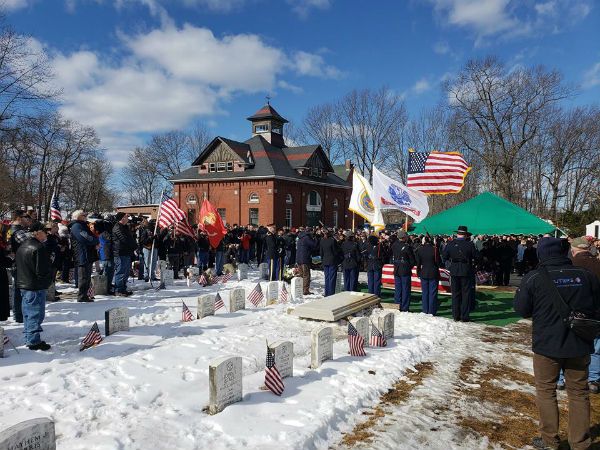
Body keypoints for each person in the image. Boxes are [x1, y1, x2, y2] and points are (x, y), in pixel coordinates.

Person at [514, 237, 600, 450]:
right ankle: (580, 443)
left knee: (546, 391)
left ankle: (550, 440)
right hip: (579, 343)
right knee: (579, 392)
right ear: (565, 253)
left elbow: (521, 309)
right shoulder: (586, 276)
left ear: (542, 254)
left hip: (547, 344)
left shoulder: (534, 278)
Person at [16, 222, 53, 350]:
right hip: (34, 286)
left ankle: (29, 337)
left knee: (28, 313)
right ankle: (33, 341)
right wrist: (48, 278)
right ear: (37, 233)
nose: (46, 234)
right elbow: (41, 271)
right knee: (35, 314)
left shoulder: (23, 246)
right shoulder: (38, 247)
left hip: (25, 285)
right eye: (44, 232)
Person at [442, 225, 478, 322]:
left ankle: (455, 315)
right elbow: (476, 256)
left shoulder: (450, 244)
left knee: (455, 294)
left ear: (457, 234)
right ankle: (464, 316)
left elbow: (444, 257)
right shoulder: (469, 244)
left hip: (454, 269)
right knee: (466, 294)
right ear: (465, 235)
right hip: (465, 270)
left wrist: (449, 264)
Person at [70, 210, 98, 302]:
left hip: (87, 254)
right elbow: (85, 238)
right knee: (83, 277)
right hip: (82, 254)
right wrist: (95, 241)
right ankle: (82, 295)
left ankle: (85, 295)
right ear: (78, 217)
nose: (85, 216)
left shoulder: (83, 225)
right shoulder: (76, 226)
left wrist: (95, 241)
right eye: (83, 215)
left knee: (87, 276)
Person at [416, 235, 442, 315]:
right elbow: (438, 263)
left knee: (425, 292)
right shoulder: (434, 250)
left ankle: (425, 310)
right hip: (433, 272)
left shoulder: (420, 249)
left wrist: (418, 272)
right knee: (432, 293)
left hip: (423, 272)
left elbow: (418, 263)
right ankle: (431, 311)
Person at [112, 212, 136, 297]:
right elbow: (124, 239)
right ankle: (118, 290)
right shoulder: (117, 227)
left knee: (126, 272)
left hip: (127, 252)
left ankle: (123, 289)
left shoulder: (125, 227)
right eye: (126, 217)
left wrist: (134, 245)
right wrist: (133, 245)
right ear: (122, 218)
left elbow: (130, 238)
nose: (128, 219)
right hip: (120, 252)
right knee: (121, 272)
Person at [391, 230, 415, 311]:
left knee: (398, 289)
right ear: (404, 237)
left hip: (397, 269)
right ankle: (404, 307)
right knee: (405, 290)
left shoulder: (394, 245)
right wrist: (409, 266)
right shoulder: (407, 247)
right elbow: (412, 261)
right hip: (405, 269)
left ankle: (397, 305)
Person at [296, 227, 316, 295]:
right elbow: (314, 245)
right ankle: (305, 290)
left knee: (301, 275)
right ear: (310, 232)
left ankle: (300, 289)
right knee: (306, 275)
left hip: (299, 259)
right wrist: (315, 238)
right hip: (305, 259)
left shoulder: (300, 237)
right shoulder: (307, 238)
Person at [320, 230, 340, 297]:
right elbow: (335, 252)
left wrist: (322, 260)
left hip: (325, 260)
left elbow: (321, 252)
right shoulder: (332, 240)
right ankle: (331, 293)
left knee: (327, 278)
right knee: (332, 278)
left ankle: (327, 292)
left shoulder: (322, 240)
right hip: (332, 261)